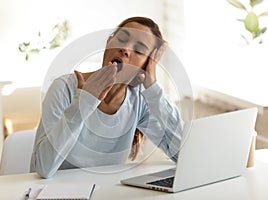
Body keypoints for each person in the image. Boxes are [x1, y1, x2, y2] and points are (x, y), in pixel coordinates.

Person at [30, 16, 183, 178]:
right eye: (121, 39)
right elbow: (43, 168)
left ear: (145, 66)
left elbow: (182, 153)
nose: (125, 49)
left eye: (138, 50)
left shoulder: (138, 100)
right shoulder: (64, 88)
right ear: (108, 44)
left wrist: (152, 87)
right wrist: (85, 101)